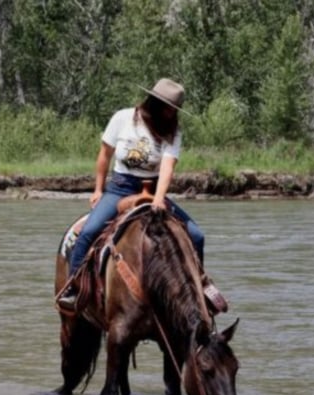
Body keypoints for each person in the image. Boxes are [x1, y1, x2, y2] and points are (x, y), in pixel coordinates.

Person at [57, 78, 225, 313]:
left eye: (173, 109)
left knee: (197, 236)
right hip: (120, 188)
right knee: (87, 233)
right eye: (167, 107)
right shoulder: (123, 118)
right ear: (155, 103)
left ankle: (196, 291)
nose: (170, 113)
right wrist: (97, 189)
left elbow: (167, 167)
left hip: (154, 189)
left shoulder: (173, 132)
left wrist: (159, 198)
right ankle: (74, 289)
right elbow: (104, 154)